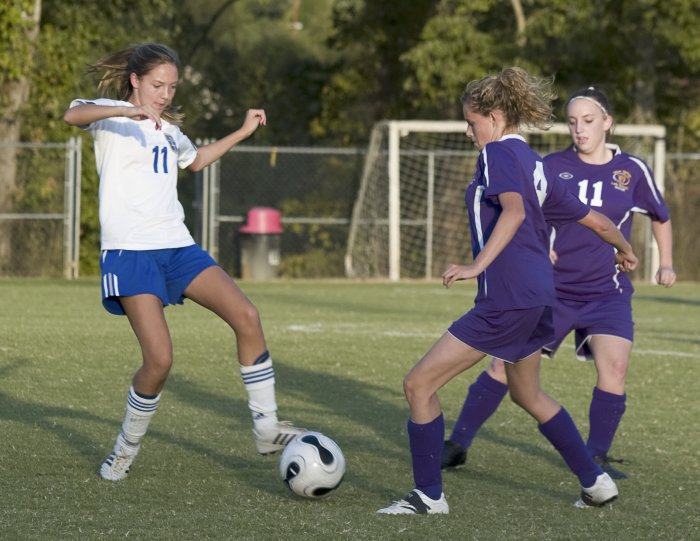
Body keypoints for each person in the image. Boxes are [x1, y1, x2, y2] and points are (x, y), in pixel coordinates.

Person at [377, 68, 639, 515]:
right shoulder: (536, 164)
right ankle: (596, 482)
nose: (468, 132)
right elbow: (595, 220)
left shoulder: (496, 153)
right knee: (527, 395)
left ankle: (428, 496)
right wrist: (625, 249)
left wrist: (476, 264)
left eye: (472, 122)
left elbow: (513, 211)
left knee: (418, 384)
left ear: (495, 118)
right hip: (540, 298)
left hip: (508, 299)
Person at [63, 43, 304, 481]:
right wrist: (126, 111)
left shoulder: (169, 129)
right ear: (135, 80)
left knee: (247, 316)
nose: (165, 94)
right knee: (159, 361)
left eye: (172, 87)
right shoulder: (111, 117)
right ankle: (124, 450)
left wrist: (241, 132)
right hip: (131, 253)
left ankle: (267, 428)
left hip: (177, 246)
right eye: (158, 85)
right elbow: (72, 115)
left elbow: (195, 161)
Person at [442, 86, 675, 480]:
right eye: (572, 122)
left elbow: (657, 215)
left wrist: (663, 262)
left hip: (607, 291)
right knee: (504, 367)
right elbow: (525, 214)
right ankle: (458, 442)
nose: (579, 129)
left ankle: (595, 459)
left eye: (588, 120)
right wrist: (539, 249)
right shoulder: (549, 164)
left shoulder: (632, 170)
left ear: (607, 122)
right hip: (554, 290)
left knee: (615, 367)